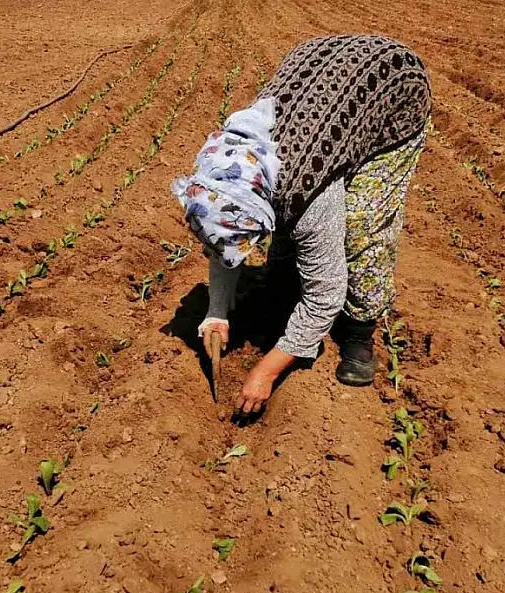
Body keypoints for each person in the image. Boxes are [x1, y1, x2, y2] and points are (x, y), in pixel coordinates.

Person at [171, 34, 431, 415]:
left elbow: (326, 294)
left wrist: (267, 371)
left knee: (361, 221)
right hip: (323, 76)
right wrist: (217, 313)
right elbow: (223, 242)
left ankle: (360, 332)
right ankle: (284, 286)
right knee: (295, 224)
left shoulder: (305, 191)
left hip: (394, 91)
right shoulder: (224, 171)